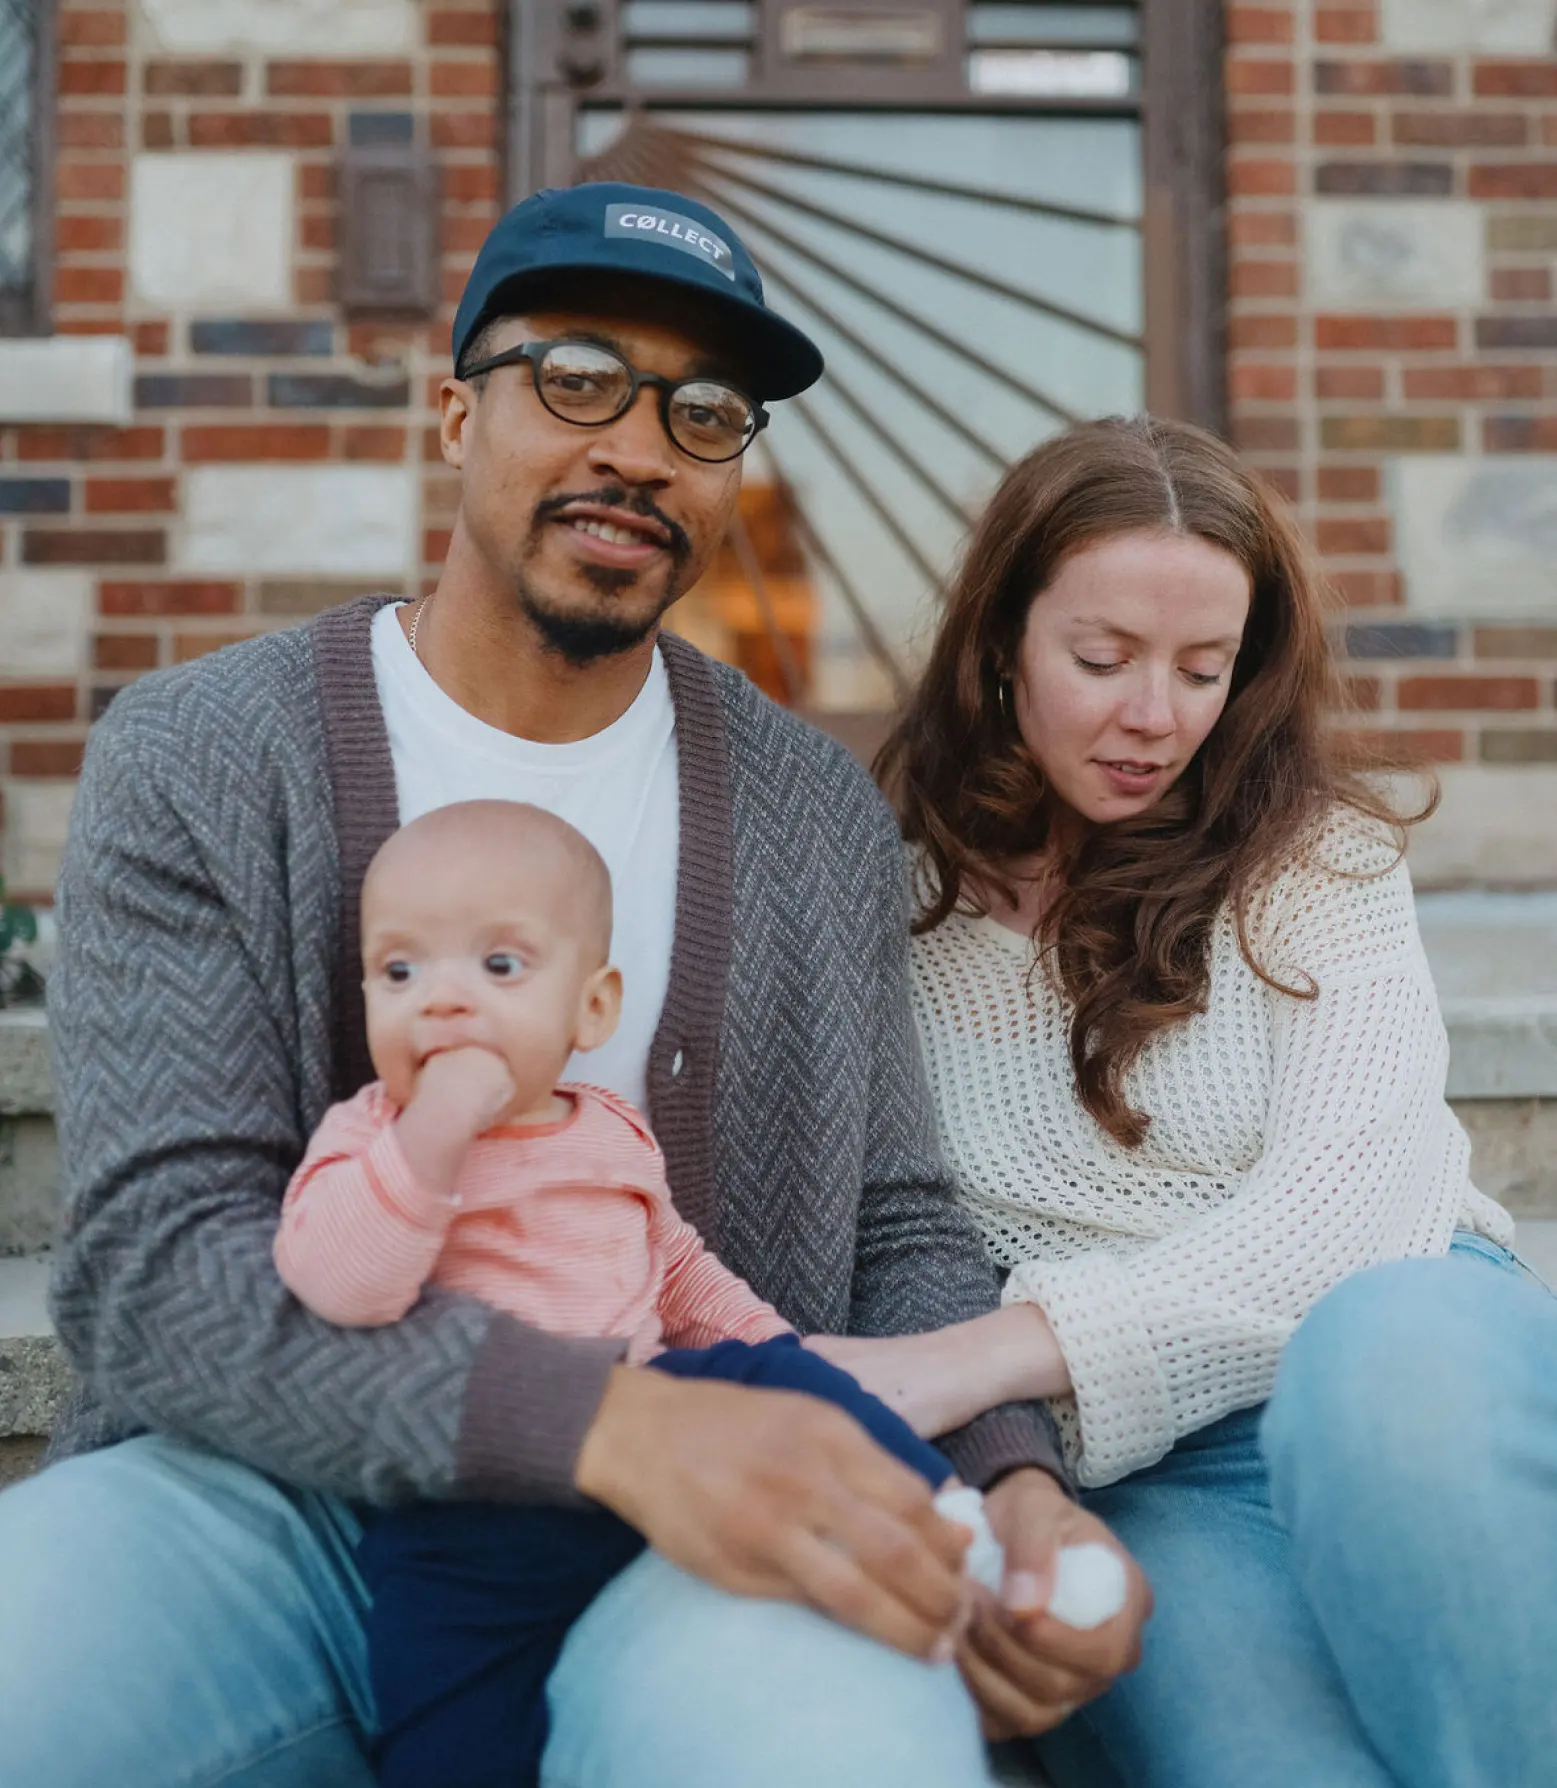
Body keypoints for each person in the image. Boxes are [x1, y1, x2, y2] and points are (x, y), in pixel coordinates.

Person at [0, 183, 1147, 1788]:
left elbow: (894, 1216)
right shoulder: (203, 757)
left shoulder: (810, 807)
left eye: (703, 412)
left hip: (708, 1536)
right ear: (455, 411)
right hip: (270, 1501)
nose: (639, 447)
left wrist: (1012, 1473)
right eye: (579, 377)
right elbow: (154, 1277)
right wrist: (609, 1423)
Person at [817, 415, 1557, 1788]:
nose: (1153, 716)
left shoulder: (1318, 862)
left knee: (1381, 1350)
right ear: (1001, 642)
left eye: (1202, 669)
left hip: (1405, 1381)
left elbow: (1354, 1222)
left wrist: (985, 1355)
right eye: (1100, 661)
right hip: (1153, 1466)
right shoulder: (885, 905)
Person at [277, 798, 959, 1788]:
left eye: (499, 967)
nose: (443, 1001)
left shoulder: (609, 1129)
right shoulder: (368, 1134)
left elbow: (675, 1266)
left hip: (660, 1451)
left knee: (781, 1372)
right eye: (400, 971)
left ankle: (945, 1519)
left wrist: (769, 1343)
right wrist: (428, 1142)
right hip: (463, 1509)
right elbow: (339, 1283)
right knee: (444, 1737)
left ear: (591, 1010)